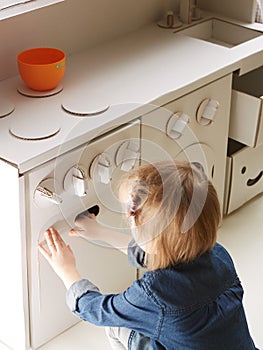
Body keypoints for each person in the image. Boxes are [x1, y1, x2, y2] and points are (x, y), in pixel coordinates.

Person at [38, 160, 258, 350]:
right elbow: (160, 254)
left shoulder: (155, 294)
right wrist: (101, 232)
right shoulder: (219, 255)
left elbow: (98, 310)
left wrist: (67, 272)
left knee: (117, 326)